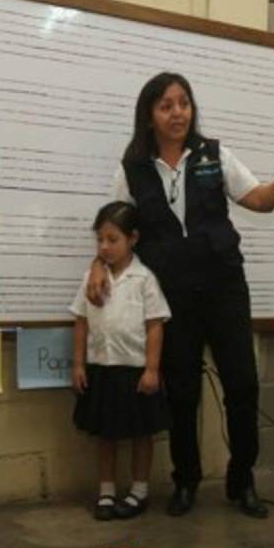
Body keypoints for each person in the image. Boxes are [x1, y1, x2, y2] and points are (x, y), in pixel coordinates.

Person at [88, 72, 274, 518]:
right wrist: (98, 263)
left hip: (224, 287)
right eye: (166, 105)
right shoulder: (132, 168)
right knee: (183, 392)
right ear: (149, 115)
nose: (178, 113)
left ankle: (242, 479)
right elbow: (114, 229)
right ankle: (186, 481)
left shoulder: (214, 154)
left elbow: (262, 201)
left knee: (243, 385)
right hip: (171, 296)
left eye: (184, 103)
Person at [70, 202, 172, 520]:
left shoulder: (144, 279)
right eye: (100, 239)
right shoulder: (92, 277)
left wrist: (152, 369)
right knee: (106, 434)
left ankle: (139, 491)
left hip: (136, 369)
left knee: (141, 433)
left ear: (133, 238)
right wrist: (78, 364)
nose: (104, 247)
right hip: (102, 367)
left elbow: (155, 324)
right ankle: (106, 492)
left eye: (113, 239)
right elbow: (81, 321)